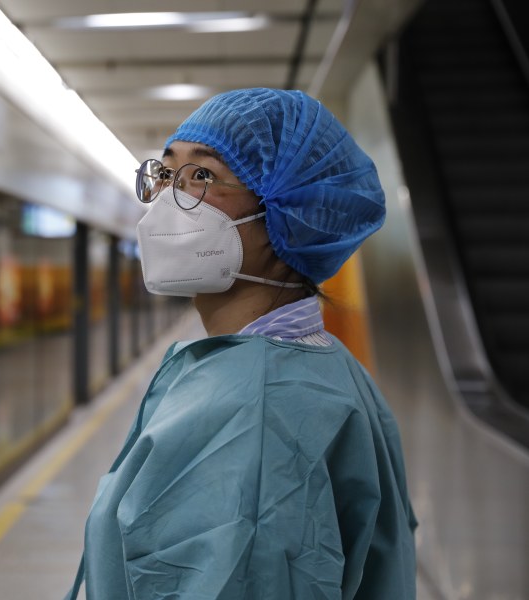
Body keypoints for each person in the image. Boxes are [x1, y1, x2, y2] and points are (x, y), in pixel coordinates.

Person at [66, 88, 417, 599]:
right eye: (166, 173)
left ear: (288, 212)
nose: (167, 198)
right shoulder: (324, 363)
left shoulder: (256, 414)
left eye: (202, 175)